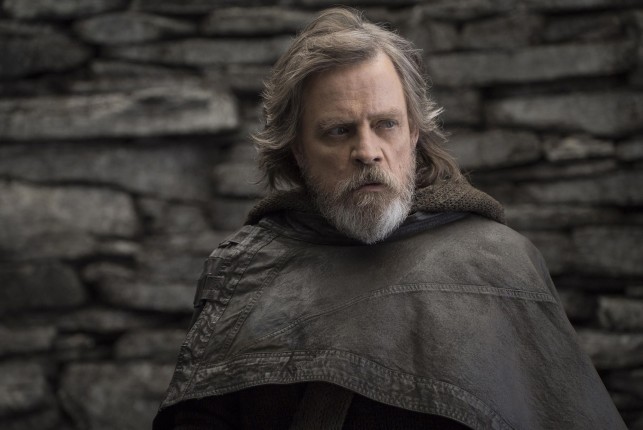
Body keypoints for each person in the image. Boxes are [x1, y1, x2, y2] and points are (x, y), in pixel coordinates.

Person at [154, 7, 625, 430]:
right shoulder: (248, 269)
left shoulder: (500, 262)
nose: (367, 151)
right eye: (338, 130)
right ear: (297, 149)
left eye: (386, 124)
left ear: (414, 133)